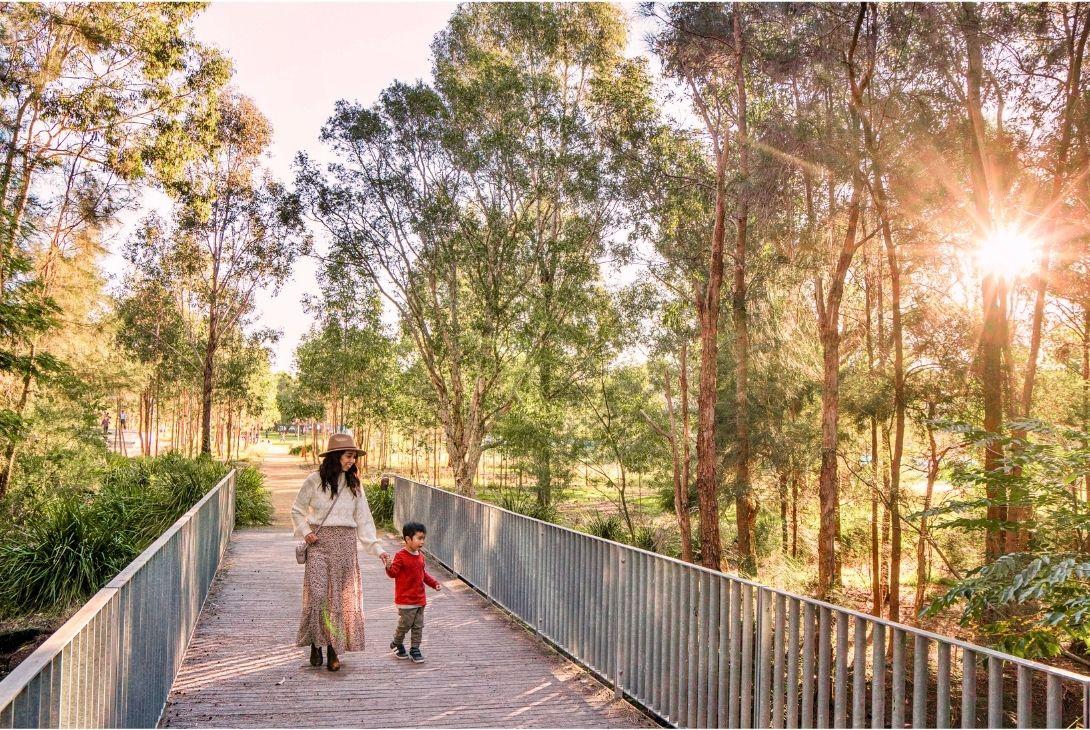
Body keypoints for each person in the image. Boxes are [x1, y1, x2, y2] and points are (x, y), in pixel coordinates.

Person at [291, 433, 390, 672]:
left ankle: (334, 650)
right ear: (335, 457)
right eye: (348, 455)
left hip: (345, 546)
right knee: (317, 597)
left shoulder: (354, 484)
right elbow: (297, 510)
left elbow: (364, 520)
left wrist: (379, 550)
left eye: (354, 456)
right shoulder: (314, 480)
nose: (352, 460)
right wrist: (306, 532)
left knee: (339, 600)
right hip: (319, 544)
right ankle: (316, 642)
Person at [385, 521, 442, 663]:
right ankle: (396, 642)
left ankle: (415, 648)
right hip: (405, 599)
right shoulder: (401, 555)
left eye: (423, 538)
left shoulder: (420, 556)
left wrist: (434, 583)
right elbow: (393, 573)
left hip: (419, 599)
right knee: (405, 624)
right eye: (419, 538)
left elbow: (423, 575)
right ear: (408, 539)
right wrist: (388, 565)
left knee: (418, 626)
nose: (422, 541)